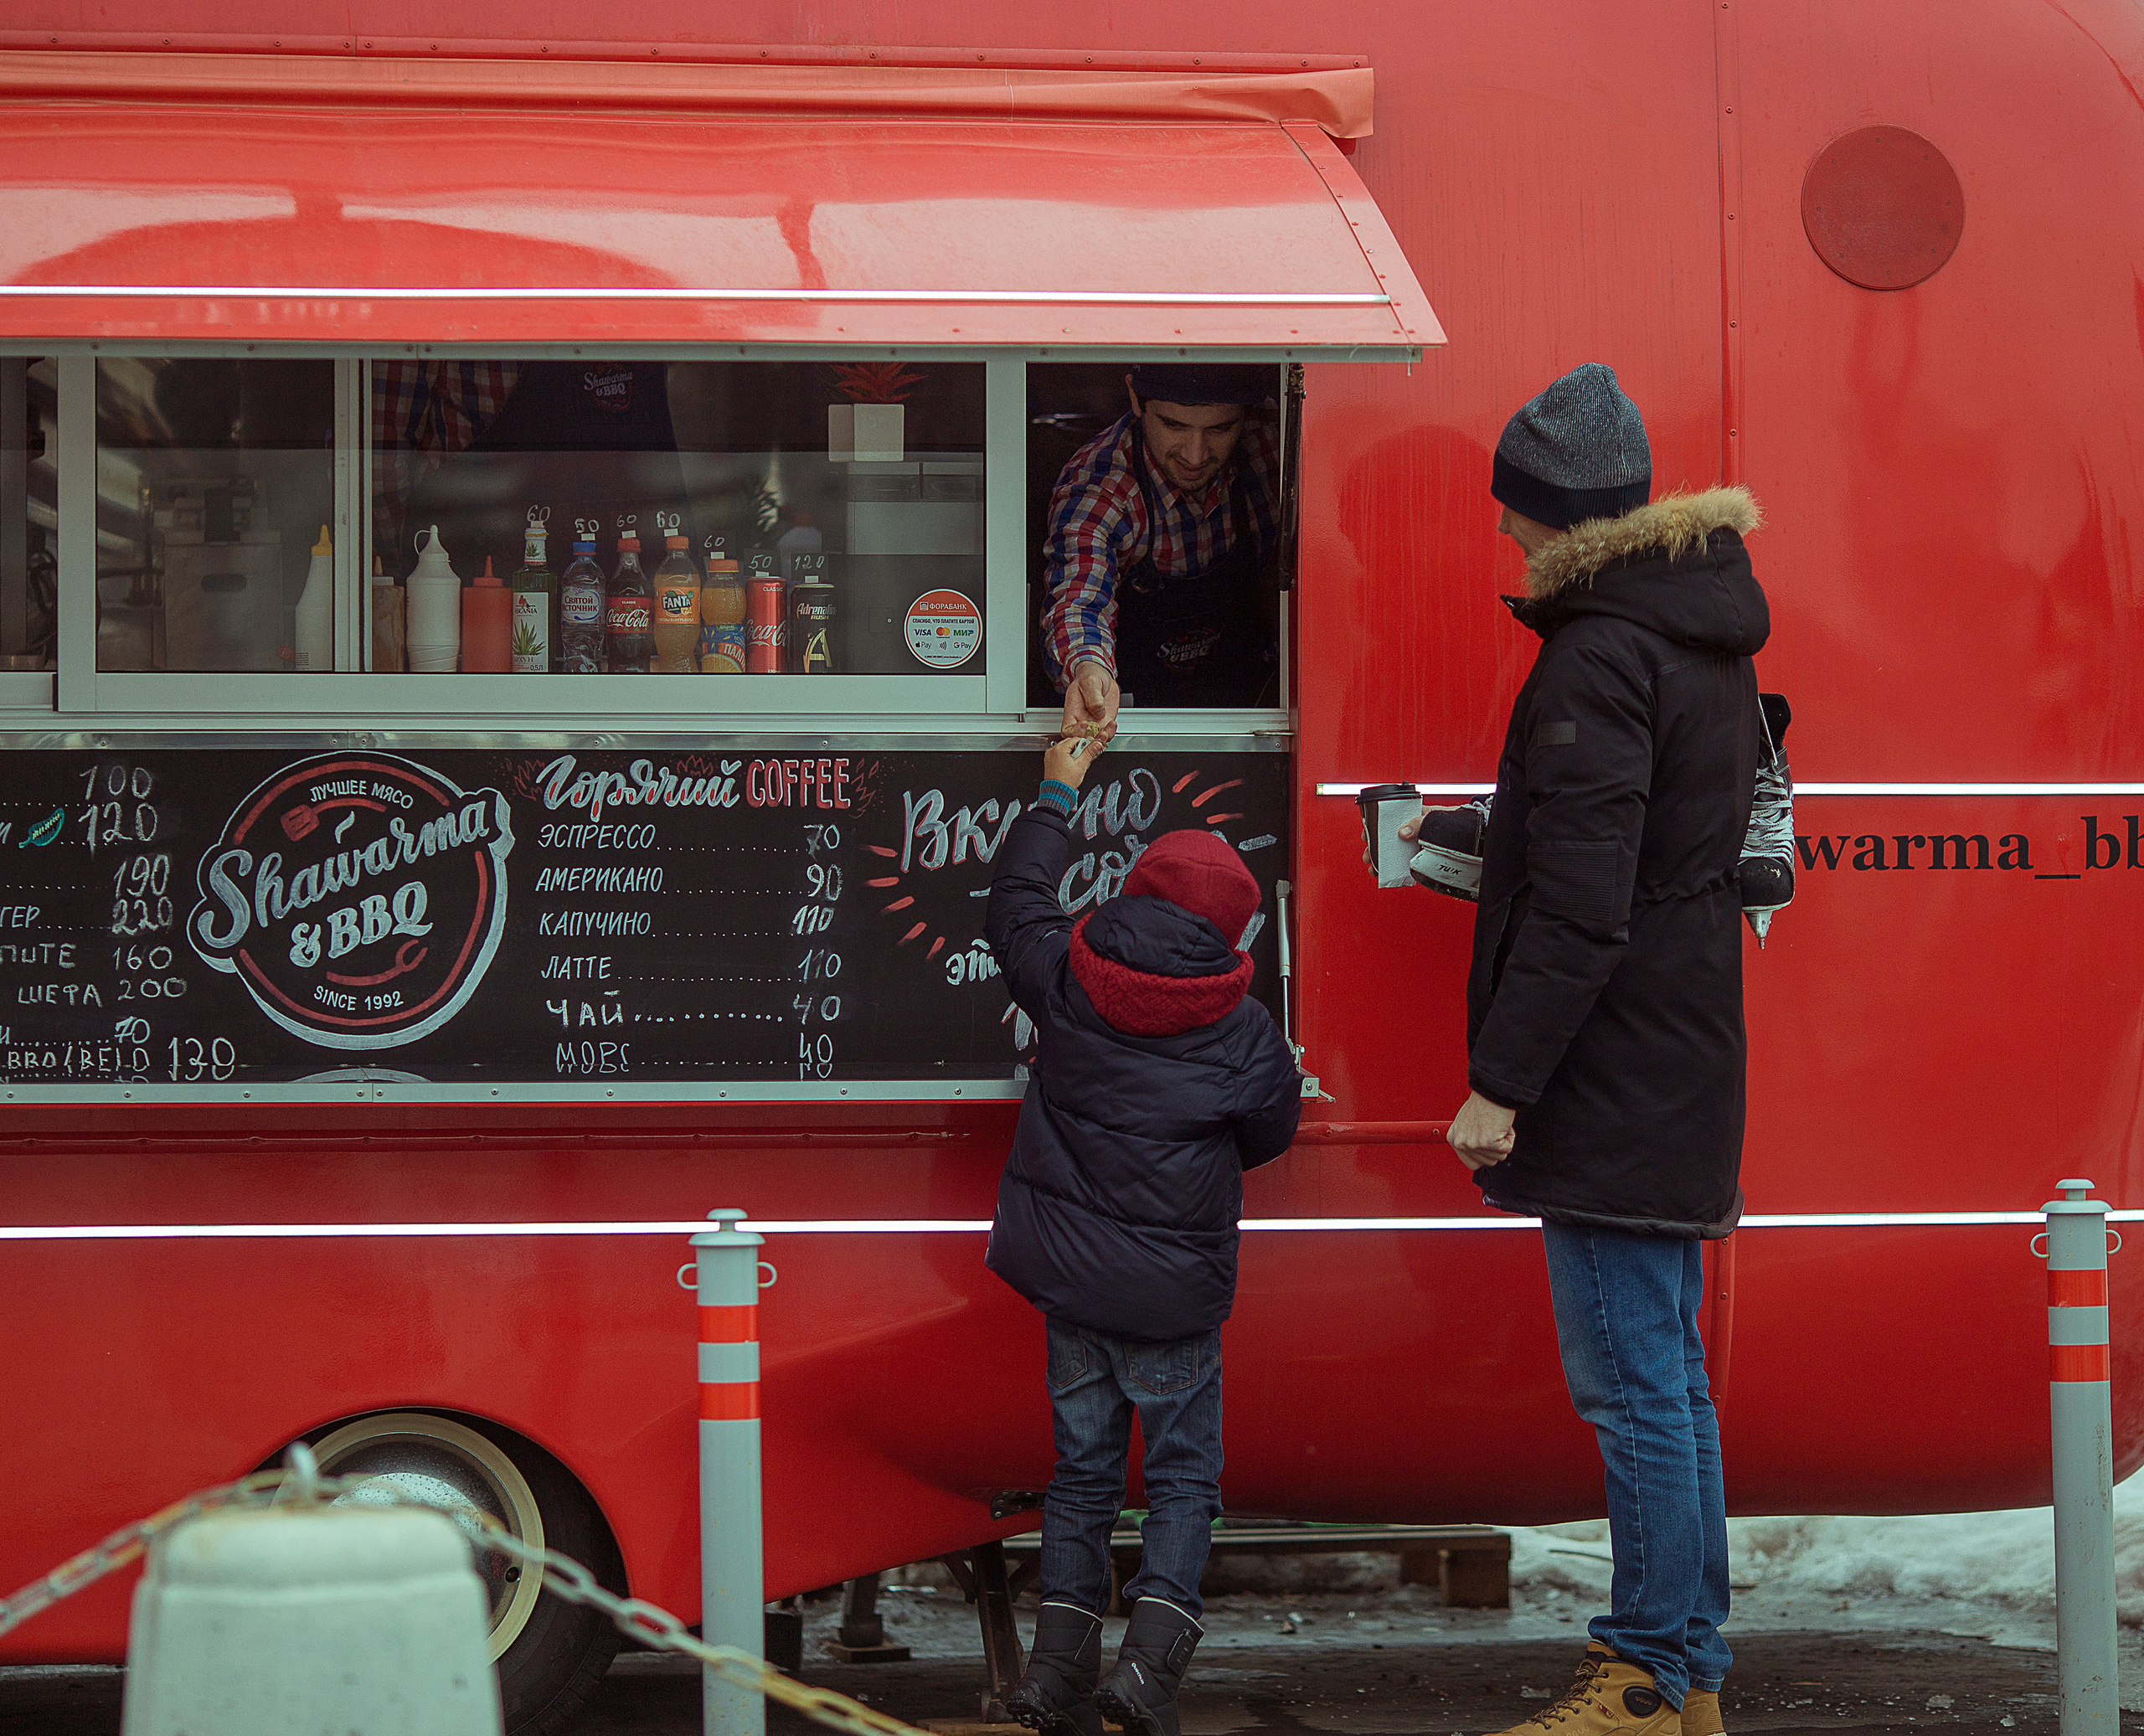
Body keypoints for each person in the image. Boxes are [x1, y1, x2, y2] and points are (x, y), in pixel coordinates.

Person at [1441, 363, 1766, 1736]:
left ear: (1562, 513)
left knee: (1635, 1387)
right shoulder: (1701, 632)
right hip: (1678, 1039)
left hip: (1612, 1065)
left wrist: (1498, 1084)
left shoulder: (1598, 652)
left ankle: (1638, 1676)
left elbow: (1583, 900)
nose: (1504, 529)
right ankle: (1686, 1679)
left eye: (1516, 508)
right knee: (1669, 1379)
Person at [984, 733, 1302, 1736]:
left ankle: (1053, 1676)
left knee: (1081, 1476)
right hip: (1171, 1298)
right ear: (1233, 928)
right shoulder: (1245, 1031)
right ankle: (1148, 1676)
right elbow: (1269, 1134)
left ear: (1135, 889)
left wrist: (1058, 790)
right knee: (1180, 1479)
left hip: (1072, 1289)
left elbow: (1014, 902)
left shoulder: (1067, 977)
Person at [1041, 364, 1281, 736]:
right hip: (1134, 724)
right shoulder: (1100, 487)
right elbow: (1080, 602)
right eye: (1174, 425)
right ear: (1136, 399)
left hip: (1253, 717)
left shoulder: (1274, 442)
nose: (1195, 455)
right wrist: (1089, 668)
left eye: (1220, 429)